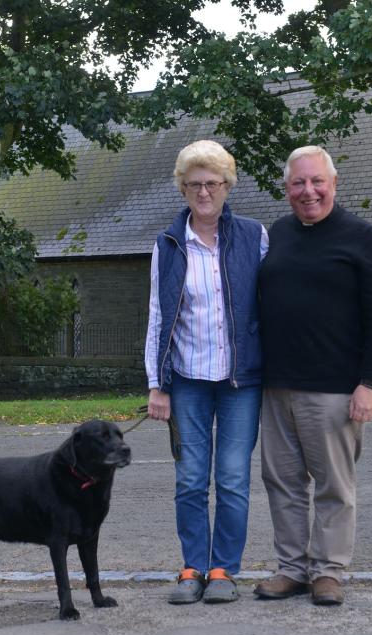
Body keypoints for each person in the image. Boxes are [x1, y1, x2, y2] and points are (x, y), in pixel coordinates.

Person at [254, 145, 372, 606]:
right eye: (298, 183)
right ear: (287, 187)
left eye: (317, 181)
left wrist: (370, 383)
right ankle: (293, 569)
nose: (308, 191)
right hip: (276, 387)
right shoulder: (277, 234)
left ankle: (329, 572)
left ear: (334, 184)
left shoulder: (361, 238)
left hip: (335, 390)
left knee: (334, 487)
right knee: (283, 483)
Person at [144, 140, 268, 605]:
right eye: (193, 184)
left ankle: (223, 570)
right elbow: (158, 316)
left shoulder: (255, 236)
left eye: (211, 183)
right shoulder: (168, 244)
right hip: (188, 381)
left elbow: (269, 308)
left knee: (233, 478)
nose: (203, 191)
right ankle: (193, 566)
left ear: (226, 186)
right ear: (182, 188)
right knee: (191, 479)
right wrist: (156, 384)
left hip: (242, 381)